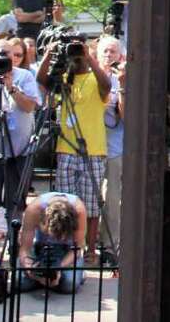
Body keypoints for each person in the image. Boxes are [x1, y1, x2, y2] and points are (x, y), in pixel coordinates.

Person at [37, 35, 112, 264]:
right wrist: (50, 53)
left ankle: (89, 249)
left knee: (91, 205)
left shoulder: (94, 77)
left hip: (93, 150)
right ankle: (67, 246)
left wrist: (89, 55)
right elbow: (41, 80)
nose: (76, 56)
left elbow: (106, 86)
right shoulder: (64, 80)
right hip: (66, 149)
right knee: (65, 204)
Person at [0, 38, 42, 249]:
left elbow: (30, 106)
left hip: (20, 149)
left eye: (9, 53)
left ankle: (14, 247)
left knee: (15, 202)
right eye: (0, 54)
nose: (5, 58)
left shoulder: (25, 76)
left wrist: (11, 87)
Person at [15, 190, 87, 293]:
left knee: (69, 285)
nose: (60, 239)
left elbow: (78, 248)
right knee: (19, 282)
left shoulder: (79, 209)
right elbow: (24, 249)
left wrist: (58, 268)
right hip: (41, 248)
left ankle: (73, 275)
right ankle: (45, 279)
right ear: (44, 221)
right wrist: (29, 269)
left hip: (67, 251)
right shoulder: (34, 210)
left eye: (62, 235)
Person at [96, 34, 124, 267]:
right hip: (90, 145)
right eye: (105, 51)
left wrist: (122, 88)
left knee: (113, 198)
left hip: (115, 146)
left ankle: (110, 245)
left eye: (113, 51)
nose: (108, 55)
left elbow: (127, 116)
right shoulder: (89, 77)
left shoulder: (123, 80)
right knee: (91, 196)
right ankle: (87, 245)